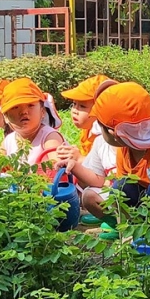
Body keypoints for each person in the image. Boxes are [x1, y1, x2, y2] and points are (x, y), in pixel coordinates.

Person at [91, 81, 150, 239]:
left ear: (112, 132)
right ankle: (130, 232)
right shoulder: (124, 149)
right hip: (141, 207)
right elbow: (122, 191)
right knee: (120, 188)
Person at [55, 75, 117, 227]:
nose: (75, 111)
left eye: (82, 107)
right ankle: (105, 215)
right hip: (103, 183)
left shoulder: (106, 136)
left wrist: (79, 159)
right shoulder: (89, 132)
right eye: (74, 105)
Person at [0, 77, 65, 175]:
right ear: (6, 117)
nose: (24, 112)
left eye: (30, 105)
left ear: (42, 111)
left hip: (47, 188)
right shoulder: (8, 141)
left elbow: (58, 165)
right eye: (15, 107)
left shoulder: (49, 137)